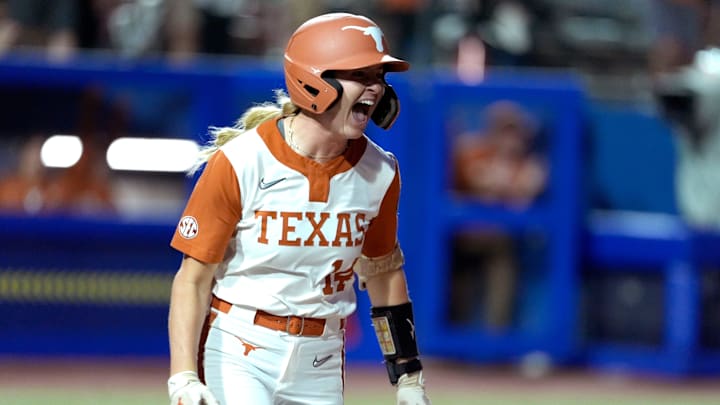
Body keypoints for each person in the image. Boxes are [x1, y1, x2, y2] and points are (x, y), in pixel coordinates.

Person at [166, 12, 431, 405]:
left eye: (379, 76)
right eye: (360, 75)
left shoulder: (380, 172)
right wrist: (183, 376)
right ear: (313, 80)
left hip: (320, 357)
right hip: (239, 346)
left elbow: (383, 270)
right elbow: (192, 279)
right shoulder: (243, 160)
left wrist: (408, 377)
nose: (375, 88)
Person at [450, 100, 547, 330]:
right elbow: (474, 179)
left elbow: (528, 191)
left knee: (504, 273)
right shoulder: (473, 150)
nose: (510, 138)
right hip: (464, 238)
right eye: (504, 130)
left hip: (500, 241)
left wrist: (502, 181)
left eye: (515, 131)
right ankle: (453, 350)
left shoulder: (528, 163)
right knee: (457, 294)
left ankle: (496, 344)